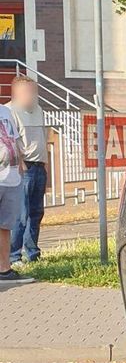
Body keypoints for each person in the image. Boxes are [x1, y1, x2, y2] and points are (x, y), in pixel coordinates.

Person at [6, 76, 47, 264]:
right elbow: (10, 141)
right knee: (21, 215)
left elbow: (42, 139)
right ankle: (14, 256)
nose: (33, 96)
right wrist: (20, 164)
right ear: (16, 94)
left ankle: (32, 253)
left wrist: (46, 166)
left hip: (39, 166)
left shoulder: (38, 110)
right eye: (28, 92)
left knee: (36, 212)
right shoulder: (9, 111)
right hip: (24, 168)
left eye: (34, 91)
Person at [0, 99, 26, 281]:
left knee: (5, 226)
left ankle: (4, 269)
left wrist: (21, 166)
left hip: (11, 177)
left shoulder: (5, 112)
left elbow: (14, 140)